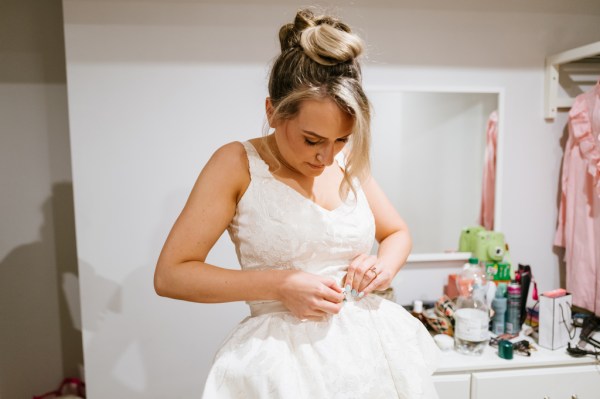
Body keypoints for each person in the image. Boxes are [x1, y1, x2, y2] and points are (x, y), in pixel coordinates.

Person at [154, 8, 440, 398]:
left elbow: (397, 232)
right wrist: (279, 283)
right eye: (312, 140)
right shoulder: (236, 164)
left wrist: (382, 266)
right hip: (283, 365)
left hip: (371, 352)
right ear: (272, 111)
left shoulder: (345, 163)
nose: (326, 157)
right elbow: (171, 275)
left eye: (341, 139)